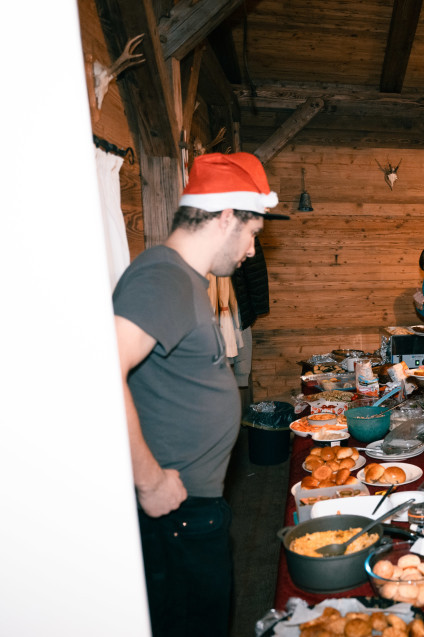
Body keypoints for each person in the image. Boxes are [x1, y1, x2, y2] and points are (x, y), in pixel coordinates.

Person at [112, 152, 287, 637]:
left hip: (191, 511)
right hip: (175, 515)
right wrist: (150, 482)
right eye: (253, 233)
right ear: (226, 217)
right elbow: (102, 370)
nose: (251, 250)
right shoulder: (163, 276)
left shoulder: (184, 279)